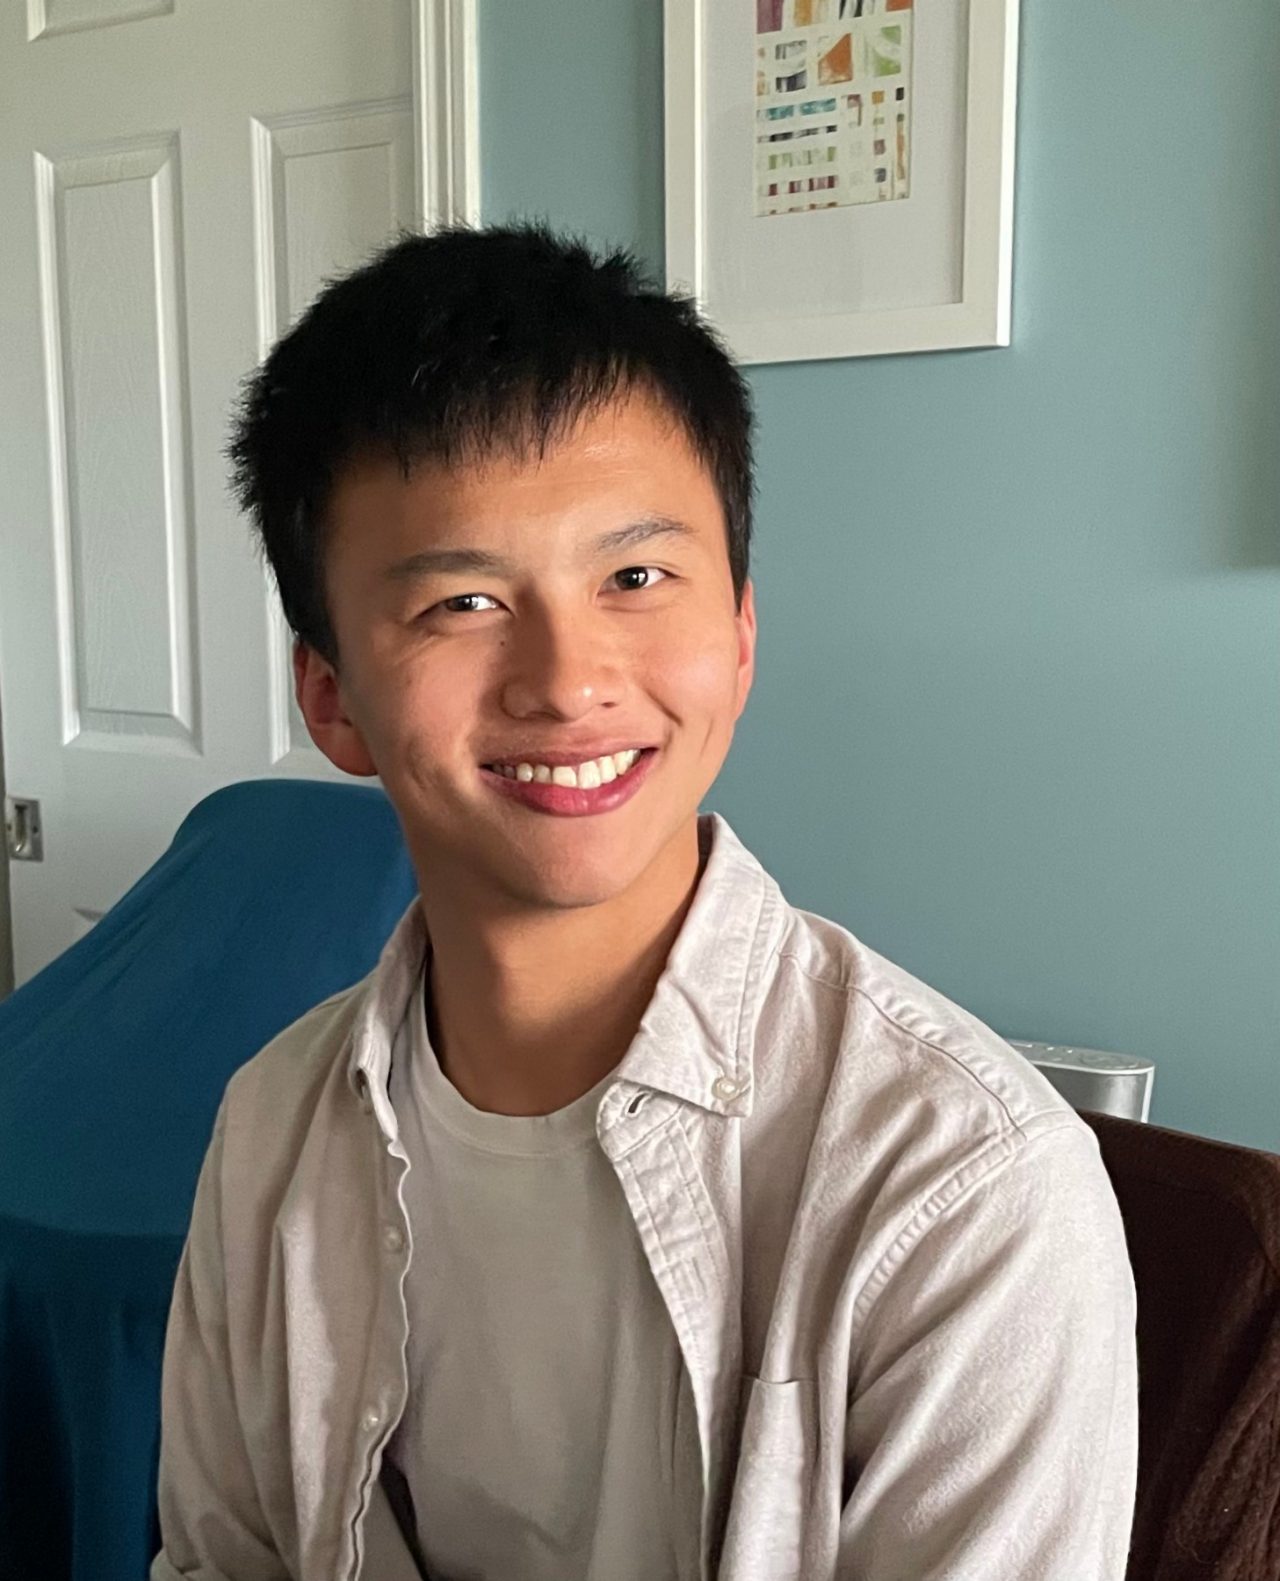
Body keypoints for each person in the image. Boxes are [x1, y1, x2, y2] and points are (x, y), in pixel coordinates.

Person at [150, 222, 1138, 1581]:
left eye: (634, 577)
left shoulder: (966, 1189)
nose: (566, 678)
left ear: (738, 629)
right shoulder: (271, 1130)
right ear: (332, 699)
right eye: (462, 602)